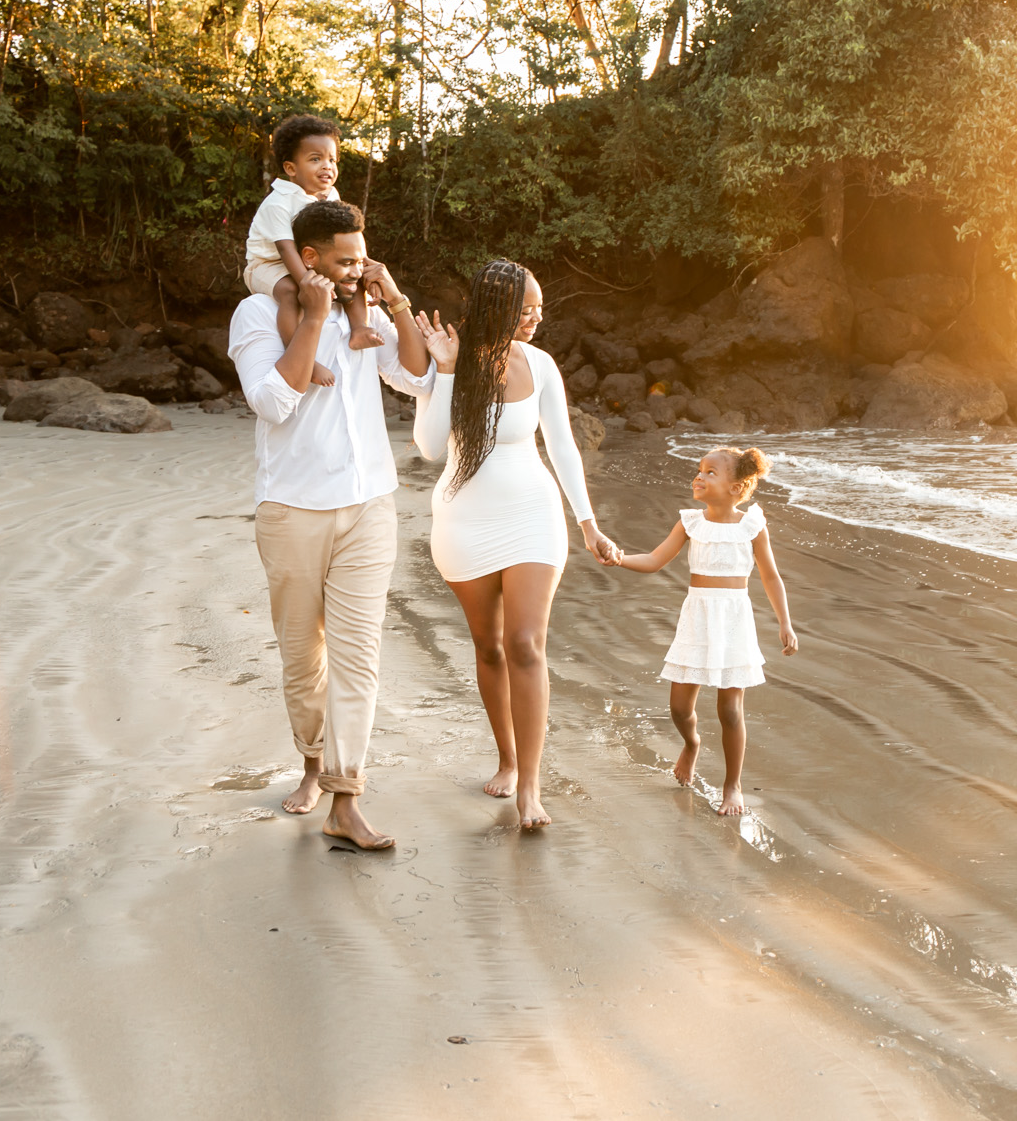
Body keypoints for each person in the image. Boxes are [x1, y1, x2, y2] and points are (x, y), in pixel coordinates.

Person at [228, 199, 431, 851]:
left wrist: (393, 299)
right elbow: (272, 402)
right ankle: (313, 761)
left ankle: (346, 796)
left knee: (357, 657)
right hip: (291, 511)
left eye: (363, 255)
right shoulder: (260, 313)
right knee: (301, 655)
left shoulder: (362, 313)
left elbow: (421, 376)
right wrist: (314, 318)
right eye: (344, 260)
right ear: (307, 258)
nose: (357, 269)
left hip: (369, 506)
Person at [410, 260, 618, 829]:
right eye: (525, 309)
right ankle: (505, 758)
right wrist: (446, 373)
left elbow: (565, 447)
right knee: (489, 647)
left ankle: (530, 785)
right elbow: (430, 448)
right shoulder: (450, 356)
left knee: (525, 642)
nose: (535, 319)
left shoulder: (542, 364)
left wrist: (588, 522)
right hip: (464, 519)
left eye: (540, 308)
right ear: (495, 307)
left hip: (532, 514)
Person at [608, 447, 797, 816]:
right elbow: (653, 560)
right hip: (697, 618)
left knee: (730, 710)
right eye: (699, 470)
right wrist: (619, 557)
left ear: (736, 487)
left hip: (734, 622)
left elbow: (770, 576)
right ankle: (691, 743)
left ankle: (732, 785)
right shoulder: (690, 522)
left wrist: (785, 622)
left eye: (711, 472)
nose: (699, 476)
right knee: (679, 707)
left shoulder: (752, 525)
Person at [241, 114, 382, 385]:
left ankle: (360, 327)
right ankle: (305, 358)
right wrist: (310, 285)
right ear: (291, 168)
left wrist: (365, 269)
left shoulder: (331, 196)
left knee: (353, 276)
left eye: (332, 159)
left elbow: (346, 244)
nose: (327, 166)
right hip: (268, 265)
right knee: (291, 292)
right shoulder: (278, 203)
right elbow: (286, 251)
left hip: (311, 260)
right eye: (315, 159)